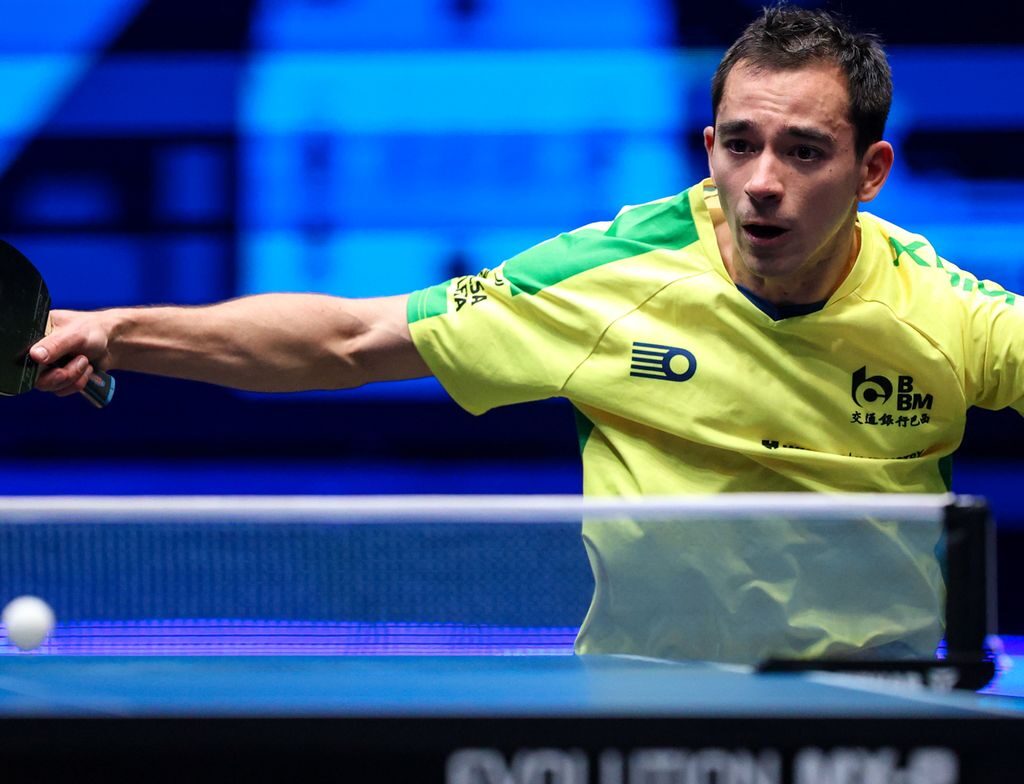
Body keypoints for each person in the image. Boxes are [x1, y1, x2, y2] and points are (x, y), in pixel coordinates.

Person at [31, 5, 1023, 662]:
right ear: (708, 147)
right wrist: (120, 330)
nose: (762, 181)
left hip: (881, 721)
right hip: (651, 720)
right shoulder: (609, 276)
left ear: (870, 171)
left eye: (803, 152)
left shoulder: (942, 311)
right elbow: (348, 339)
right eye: (740, 144)